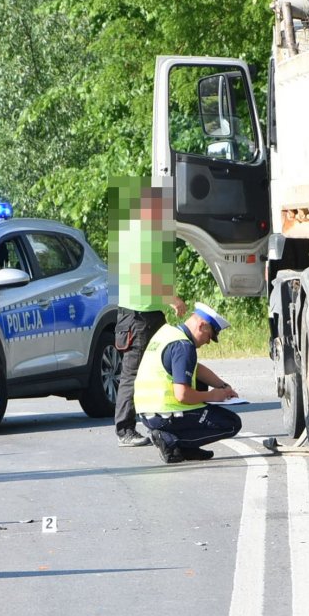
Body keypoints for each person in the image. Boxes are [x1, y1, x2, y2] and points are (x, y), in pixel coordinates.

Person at [113, 185, 186, 447]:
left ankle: (162, 418)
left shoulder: (146, 234)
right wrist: (172, 299)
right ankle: (124, 430)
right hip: (137, 315)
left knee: (161, 364)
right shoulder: (139, 235)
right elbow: (146, 275)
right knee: (133, 373)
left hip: (149, 312)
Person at [134, 302, 242, 464]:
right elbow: (182, 395)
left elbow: (195, 369)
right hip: (166, 413)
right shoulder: (184, 346)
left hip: (147, 412)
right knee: (231, 423)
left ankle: (186, 448)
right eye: (210, 336)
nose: (207, 342)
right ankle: (171, 440)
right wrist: (213, 395)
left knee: (202, 394)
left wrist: (222, 386)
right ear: (202, 325)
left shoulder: (167, 333)